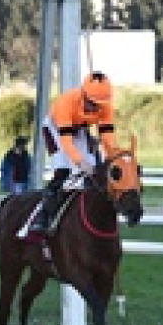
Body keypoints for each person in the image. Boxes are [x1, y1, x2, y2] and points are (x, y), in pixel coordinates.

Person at [26, 71, 117, 236]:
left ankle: (89, 213)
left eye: (100, 104)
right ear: (84, 95)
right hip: (55, 128)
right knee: (63, 170)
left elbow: (107, 137)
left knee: (93, 172)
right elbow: (66, 142)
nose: (96, 107)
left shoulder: (105, 107)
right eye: (93, 103)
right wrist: (81, 162)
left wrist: (113, 156)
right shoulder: (66, 104)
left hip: (79, 129)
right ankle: (43, 215)